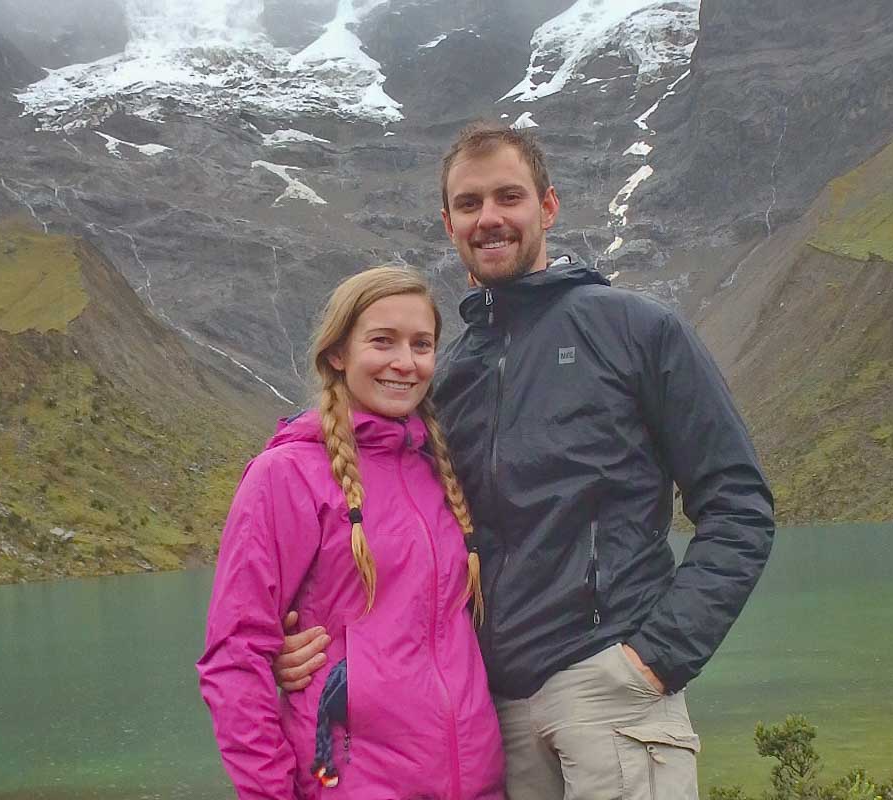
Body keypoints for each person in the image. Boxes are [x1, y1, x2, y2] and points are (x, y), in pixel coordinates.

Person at [276, 123, 776, 799]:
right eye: (470, 203)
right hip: (493, 713)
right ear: (448, 223)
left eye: (508, 196)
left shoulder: (636, 330)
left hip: (613, 689)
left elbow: (739, 505)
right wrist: (313, 641)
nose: (489, 218)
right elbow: (404, 542)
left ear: (547, 207)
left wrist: (656, 659)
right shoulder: (447, 375)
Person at [197, 266, 506, 799]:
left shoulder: (439, 470)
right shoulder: (287, 474)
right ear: (338, 352)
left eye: (422, 344)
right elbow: (235, 654)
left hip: (474, 783)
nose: (404, 363)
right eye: (382, 341)